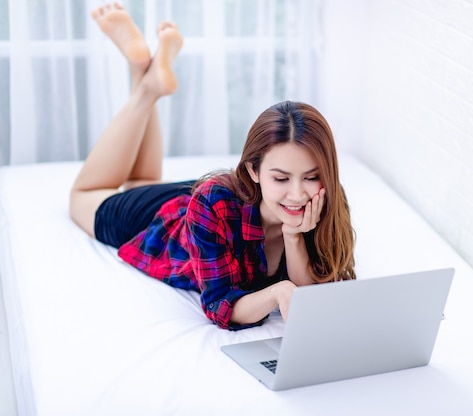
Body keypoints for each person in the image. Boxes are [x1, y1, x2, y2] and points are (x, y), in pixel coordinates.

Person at [69, 3, 356, 330]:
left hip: (199, 201)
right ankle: (146, 86)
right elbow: (221, 304)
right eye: (280, 178)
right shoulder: (214, 203)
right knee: (84, 193)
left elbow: (314, 297)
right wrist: (279, 291)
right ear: (253, 171)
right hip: (158, 222)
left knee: (142, 180)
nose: (296, 193)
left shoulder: (324, 198)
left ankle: (144, 73)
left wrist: (293, 236)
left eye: (311, 176)